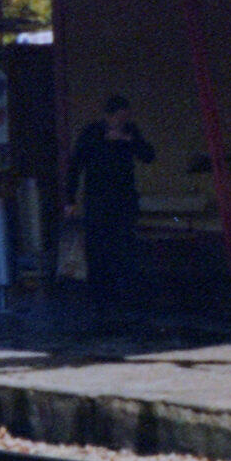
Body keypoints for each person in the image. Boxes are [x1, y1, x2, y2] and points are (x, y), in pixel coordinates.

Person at [66, 96, 155, 322]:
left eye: (125, 118)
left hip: (123, 199)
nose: (122, 121)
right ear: (109, 116)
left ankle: (121, 296)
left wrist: (128, 140)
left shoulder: (130, 132)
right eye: (119, 117)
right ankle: (99, 298)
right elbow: (76, 165)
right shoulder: (92, 133)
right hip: (98, 199)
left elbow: (148, 156)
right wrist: (70, 198)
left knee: (123, 248)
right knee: (98, 249)